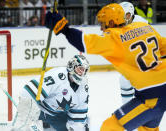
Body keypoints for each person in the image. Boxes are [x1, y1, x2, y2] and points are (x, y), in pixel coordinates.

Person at [44, 3, 166, 131]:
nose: (101, 28)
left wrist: (63, 28)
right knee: (147, 128)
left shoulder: (114, 38)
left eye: (103, 23)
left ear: (112, 23)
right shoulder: (144, 27)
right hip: (159, 90)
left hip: (151, 97)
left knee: (110, 126)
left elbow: (83, 42)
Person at [0, 55, 90, 131]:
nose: (81, 73)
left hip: (57, 115)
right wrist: (28, 114)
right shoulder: (57, 76)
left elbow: (78, 118)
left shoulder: (83, 88)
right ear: (71, 66)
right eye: (79, 69)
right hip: (38, 110)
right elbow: (28, 92)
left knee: (82, 126)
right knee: (21, 128)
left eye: (84, 70)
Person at [119, 1, 148, 104]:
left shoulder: (142, 23)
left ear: (131, 14)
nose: (123, 18)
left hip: (144, 60)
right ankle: (127, 108)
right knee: (124, 81)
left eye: (125, 15)